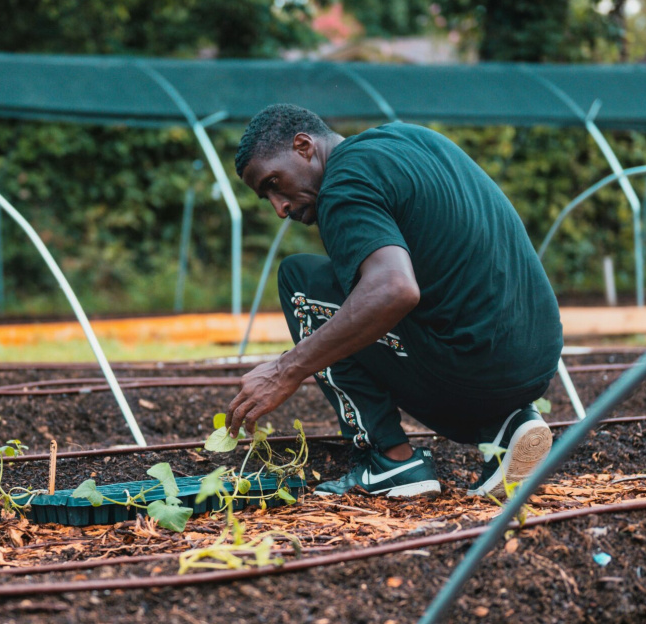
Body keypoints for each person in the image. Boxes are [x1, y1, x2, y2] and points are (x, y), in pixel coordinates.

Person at [228, 103, 562, 498]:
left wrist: (287, 368)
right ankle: (508, 425)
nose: (279, 207)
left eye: (273, 183)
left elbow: (393, 290)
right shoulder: (409, 140)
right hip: (536, 361)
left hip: (476, 370)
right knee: (367, 296)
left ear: (304, 147)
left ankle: (389, 460)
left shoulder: (342, 185)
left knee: (300, 282)